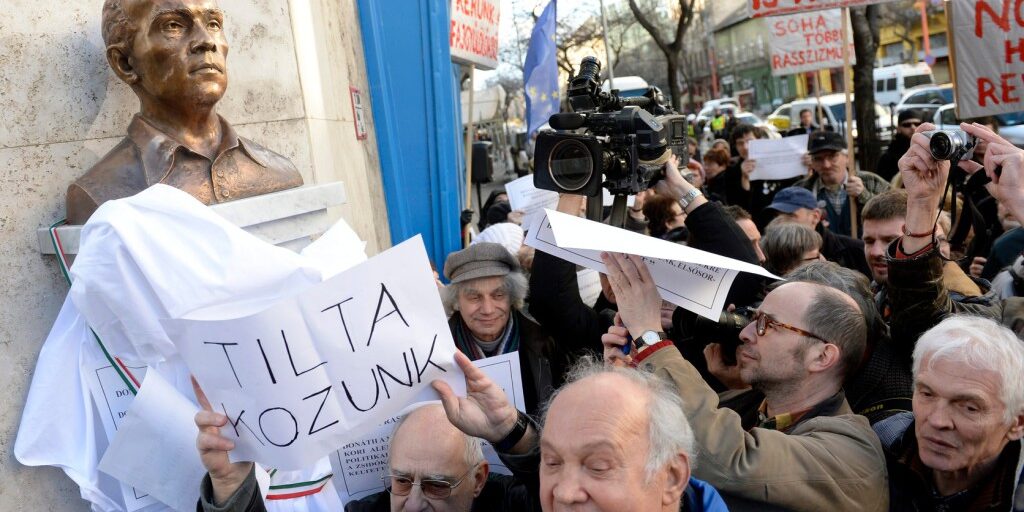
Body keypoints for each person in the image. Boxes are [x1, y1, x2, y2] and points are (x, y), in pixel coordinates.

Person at [601, 263, 888, 511]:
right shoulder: (742, 407)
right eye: (753, 319)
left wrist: (651, 340)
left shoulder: (852, 455)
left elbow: (729, 461)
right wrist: (631, 381)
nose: (745, 333)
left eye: (768, 324)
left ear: (822, 356)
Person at [66, 0, 304, 224]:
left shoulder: (278, 172)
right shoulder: (102, 195)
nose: (206, 40)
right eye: (173, 25)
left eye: (213, 24)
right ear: (125, 63)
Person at [873, 315, 1024, 511]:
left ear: (1018, 423)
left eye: (969, 407)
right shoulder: (879, 443)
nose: (937, 420)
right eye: (927, 394)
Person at [442, 243, 556, 415]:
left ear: (512, 296)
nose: (488, 309)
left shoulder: (544, 343)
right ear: (456, 301)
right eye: (474, 297)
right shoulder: (438, 351)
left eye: (498, 295)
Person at [796, 131, 890, 238]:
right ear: (811, 162)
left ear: (847, 157)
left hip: (866, 252)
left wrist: (864, 195)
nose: (826, 165)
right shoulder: (802, 191)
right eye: (818, 159)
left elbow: (894, 216)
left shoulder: (872, 182)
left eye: (832, 156)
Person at [767, 186, 871, 277]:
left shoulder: (855, 251)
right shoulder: (768, 253)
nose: (780, 222)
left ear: (815, 217)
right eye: (777, 216)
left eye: (790, 216)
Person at [875, 109, 923, 182]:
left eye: (917, 124)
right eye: (907, 125)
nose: (913, 127)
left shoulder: (929, 150)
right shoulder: (888, 158)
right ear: (898, 129)